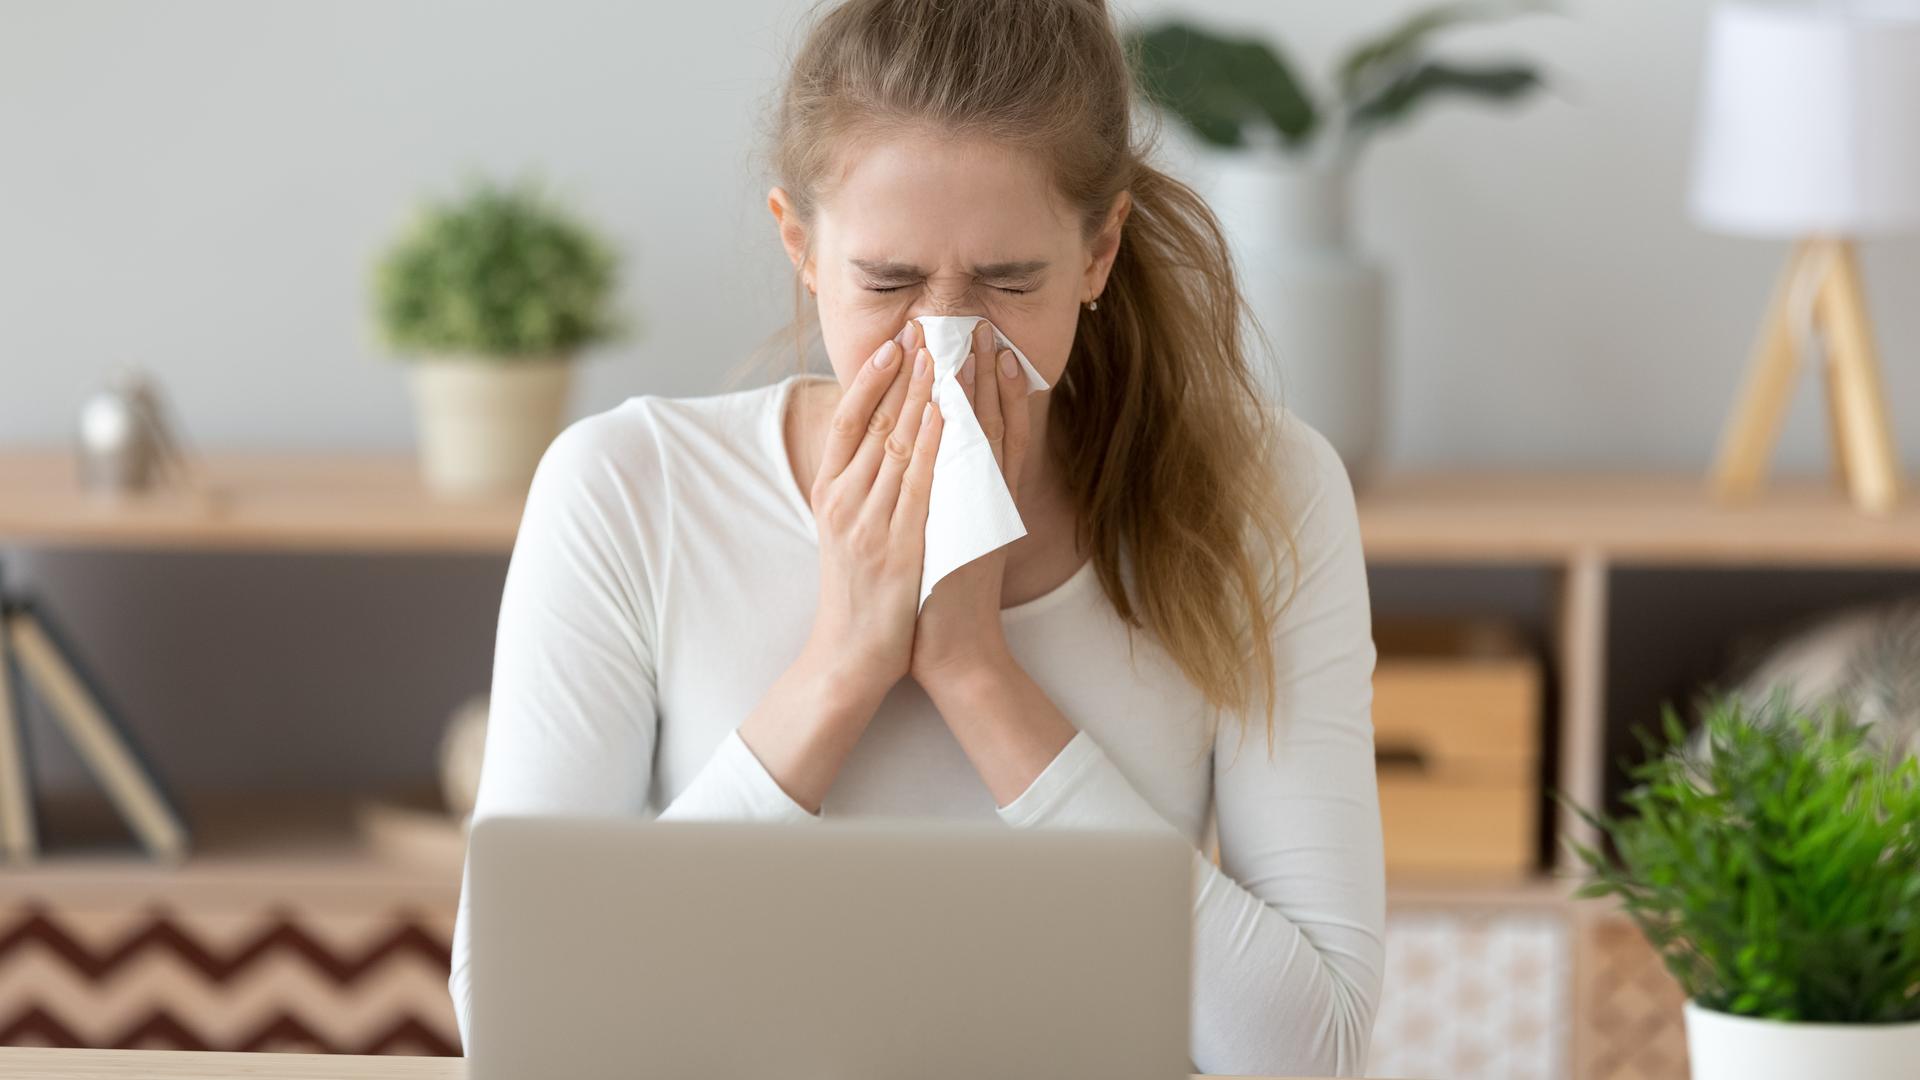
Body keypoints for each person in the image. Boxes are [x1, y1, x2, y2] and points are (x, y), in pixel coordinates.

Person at [448, 0, 1385, 1073]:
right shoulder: (630, 491)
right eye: (888, 284)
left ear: (1098, 251)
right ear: (800, 245)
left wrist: (980, 676)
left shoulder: (1263, 495)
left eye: (1009, 282)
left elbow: (1315, 1050)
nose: (946, 338)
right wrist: (841, 667)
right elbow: (522, 1031)